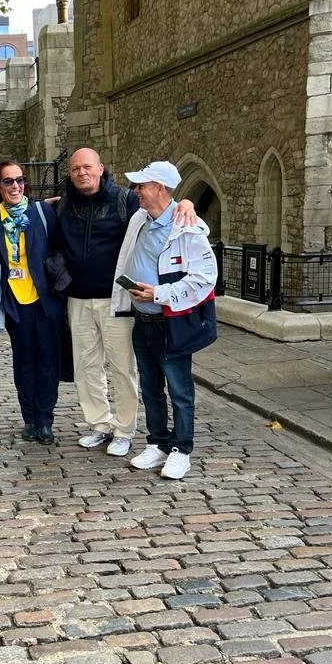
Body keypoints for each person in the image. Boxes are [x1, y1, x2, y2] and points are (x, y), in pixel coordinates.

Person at [56, 148, 195, 458]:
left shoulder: (125, 200)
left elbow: (162, 207)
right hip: (78, 299)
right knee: (87, 367)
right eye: (76, 168)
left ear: (101, 168)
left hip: (116, 300)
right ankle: (99, 424)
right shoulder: (64, 204)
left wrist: (186, 201)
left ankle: (123, 429)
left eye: (87, 167)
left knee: (122, 368)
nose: (82, 173)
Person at [118, 161, 217, 480]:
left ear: (160, 188)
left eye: (142, 186)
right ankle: (158, 442)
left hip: (170, 325)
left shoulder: (188, 227)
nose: (136, 192)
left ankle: (181, 449)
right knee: (150, 388)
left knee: (179, 389)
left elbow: (205, 278)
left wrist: (159, 293)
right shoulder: (140, 218)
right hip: (142, 321)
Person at [0, 162, 65, 444]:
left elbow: (60, 243)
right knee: (24, 363)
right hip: (14, 302)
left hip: (46, 301)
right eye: (8, 182)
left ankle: (45, 419)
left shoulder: (42, 212)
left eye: (19, 180)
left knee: (47, 361)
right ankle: (29, 418)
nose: (15, 186)